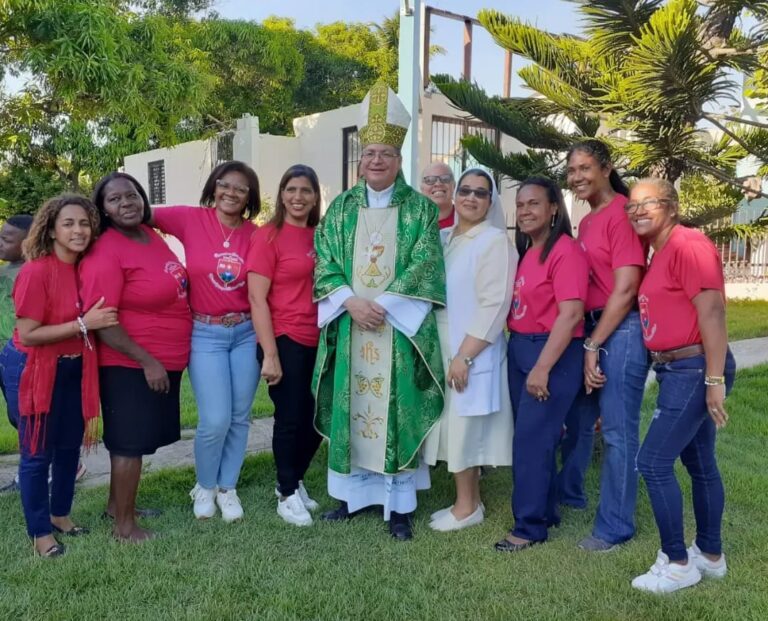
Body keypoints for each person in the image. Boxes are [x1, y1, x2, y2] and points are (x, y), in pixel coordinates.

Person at [313, 82, 446, 541]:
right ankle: (352, 499)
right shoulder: (341, 208)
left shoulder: (421, 210)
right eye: (369, 152)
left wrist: (382, 307)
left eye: (385, 153)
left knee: (394, 411)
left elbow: (425, 264)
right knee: (353, 412)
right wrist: (350, 301)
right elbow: (324, 257)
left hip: (396, 330)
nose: (376, 160)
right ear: (361, 158)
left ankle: (399, 507)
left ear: (399, 159)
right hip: (351, 326)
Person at [627, 178, 735, 593]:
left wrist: (714, 380)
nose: (637, 211)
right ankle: (710, 555)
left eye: (647, 203)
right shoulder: (660, 251)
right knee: (700, 462)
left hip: (693, 369)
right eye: (632, 206)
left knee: (652, 462)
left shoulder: (689, 245)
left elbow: (712, 311)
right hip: (679, 369)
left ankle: (677, 563)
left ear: (671, 206)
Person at [80, 172, 192, 542]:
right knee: (127, 443)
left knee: (137, 440)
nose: (126, 203)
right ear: (103, 209)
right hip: (129, 363)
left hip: (161, 357)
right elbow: (103, 321)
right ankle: (124, 528)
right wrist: (147, 360)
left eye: (132, 196)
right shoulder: (106, 249)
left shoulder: (149, 235)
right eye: (114, 200)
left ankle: (118, 505)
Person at [151, 161, 260, 523]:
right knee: (215, 419)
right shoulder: (189, 219)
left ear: (249, 197)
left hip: (245, 333)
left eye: (240, 189)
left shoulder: (256, 234)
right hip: (205, 333)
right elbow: (137, 212)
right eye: (224, 185)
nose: (230, 193)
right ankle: (204, 485)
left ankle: (228, 488)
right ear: (214, 187)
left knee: (240, 416)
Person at [10, 195, 118, 557]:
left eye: (84, 223)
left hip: (76, 368)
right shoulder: (37, 270)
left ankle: (61, 516)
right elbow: (27, 333)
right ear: (52, 230)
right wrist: (83, 324)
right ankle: (40, 533)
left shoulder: (84, 269)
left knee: (70, 449)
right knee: (37, 454)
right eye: (68, 223)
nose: (78, 230)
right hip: (37, 370)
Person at [557, 139, 650, 552]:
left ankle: (615, 526)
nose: (576, 177)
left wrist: (594, 344)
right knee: (578, 421)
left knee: (617, 431)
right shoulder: (589, 219)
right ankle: (569, 495)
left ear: (607, 167)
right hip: (593, 330)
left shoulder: (621, 214)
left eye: (584, 168)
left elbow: (627, 287)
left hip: (622, 331)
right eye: (571, 170)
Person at [496, 176, 589, 552]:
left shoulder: (565, 251)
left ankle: (529, 527)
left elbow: (570, 314)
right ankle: (546, 510)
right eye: (520, 205)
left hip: (550, 353)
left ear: (554, 209)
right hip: (521, 347)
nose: (525, 211)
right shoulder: (528, 251)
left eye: (534, 203)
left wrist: (542, 367)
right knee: (538, 438)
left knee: (531, 442)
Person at [423, 168, 516, 532]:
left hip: (473, 346)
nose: (471, 198)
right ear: (454, 195)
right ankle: (466, 501)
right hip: (444, 342)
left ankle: (467, 508)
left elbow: (495, 304)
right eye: (465, 191)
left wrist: (465, 355)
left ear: (490, 202)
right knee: (451, 426)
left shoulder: (493, 241)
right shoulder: (444, 237)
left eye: (481, 193)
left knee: (465, 428)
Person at [248, 164, 322, 527]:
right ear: (281, 194)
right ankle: (287, 492)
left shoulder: (320, 236)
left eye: (305, 190)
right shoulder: (268, 237)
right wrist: (271, 354)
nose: (298, 197)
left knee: (318, 419)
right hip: (283, 338)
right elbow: (257, 299)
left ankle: (293, 480)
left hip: (318, 338)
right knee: (290, 418)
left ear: (315, 196)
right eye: (291, 189)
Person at [0, 214, 33, 493]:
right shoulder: (4, 270)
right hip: (4, 357)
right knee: (15, 416)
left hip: (23, 356)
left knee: (24, 416)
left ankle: (30, 474)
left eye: (6, 240)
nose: (0, 243)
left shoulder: (32, 271)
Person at [419, 162, 456, 229]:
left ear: (454, 185)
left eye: (445, 179)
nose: (438, 183)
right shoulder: (410, 222)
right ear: (421, 188)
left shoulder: (465, 220)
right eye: (430, 180)